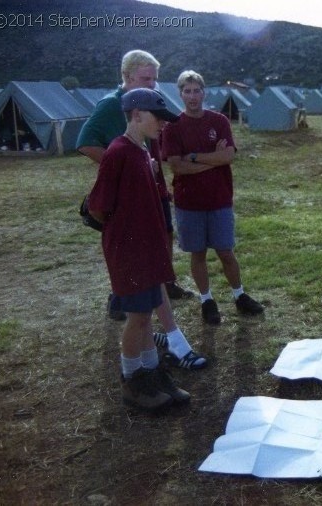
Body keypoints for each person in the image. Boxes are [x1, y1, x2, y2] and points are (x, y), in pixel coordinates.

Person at [77, 50, 206, 371]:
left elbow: (154, 150)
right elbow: (85, 141)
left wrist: (151, 175)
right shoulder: (115, 106)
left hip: (154, 191)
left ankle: (140, 317)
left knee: (157, 263)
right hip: (132, 201)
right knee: (147, 268)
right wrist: (124, 167)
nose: (153, 84)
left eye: (154, 78)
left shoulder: (149, 110)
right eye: (146, 78)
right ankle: (171, 340)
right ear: (128, 77)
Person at [87, 88, 192, 412]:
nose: (162, 124)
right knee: (137, 318)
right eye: (157, 117)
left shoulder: (142, 150)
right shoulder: (118, 152)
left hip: (148, 247)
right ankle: (132, 380)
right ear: (135, 115)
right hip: (129, 252)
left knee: (147, 316)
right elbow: (98, 207)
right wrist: (124, 233)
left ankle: (151, 372)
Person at [162, 70, 264, 324]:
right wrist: (213, 160)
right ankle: (207, 300)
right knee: (197, 254)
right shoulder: (172, 126)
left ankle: (239, 295)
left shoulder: (219, 121)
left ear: (204, 92)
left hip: (219, 198)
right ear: (180, 94)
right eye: (187, 91)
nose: (193, 96)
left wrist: (194, 156)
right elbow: (176, 166)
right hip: (189, 203)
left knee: (225, 252)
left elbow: (228, 156)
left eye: (197, 91)